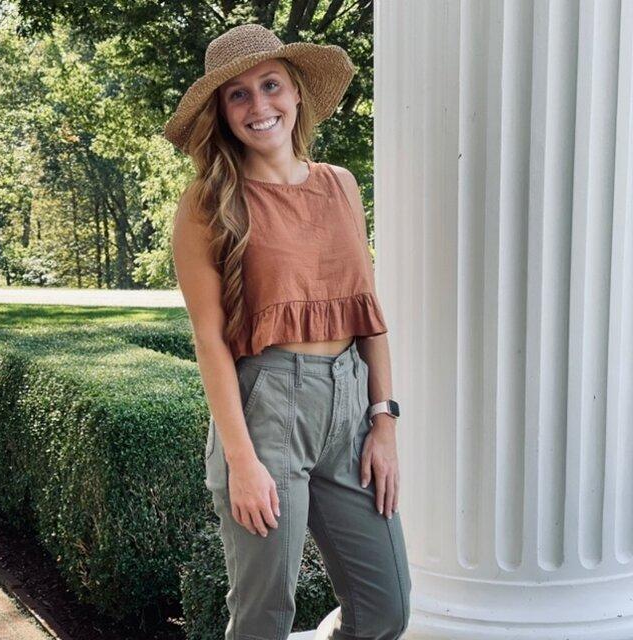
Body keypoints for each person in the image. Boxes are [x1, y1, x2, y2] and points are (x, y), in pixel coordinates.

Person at [165, 23, 411, 640]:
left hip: (350, 407)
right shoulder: (208, 201)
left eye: (269, 85)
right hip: (266, 410)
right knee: (264, 618)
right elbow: (209, 340)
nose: (258, 105)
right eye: (238, 95)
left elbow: (367, 309)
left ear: (296, 92)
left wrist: (383, 421)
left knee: (386, 609)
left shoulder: (341, 185)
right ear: (223, 113)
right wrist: (242, 460)